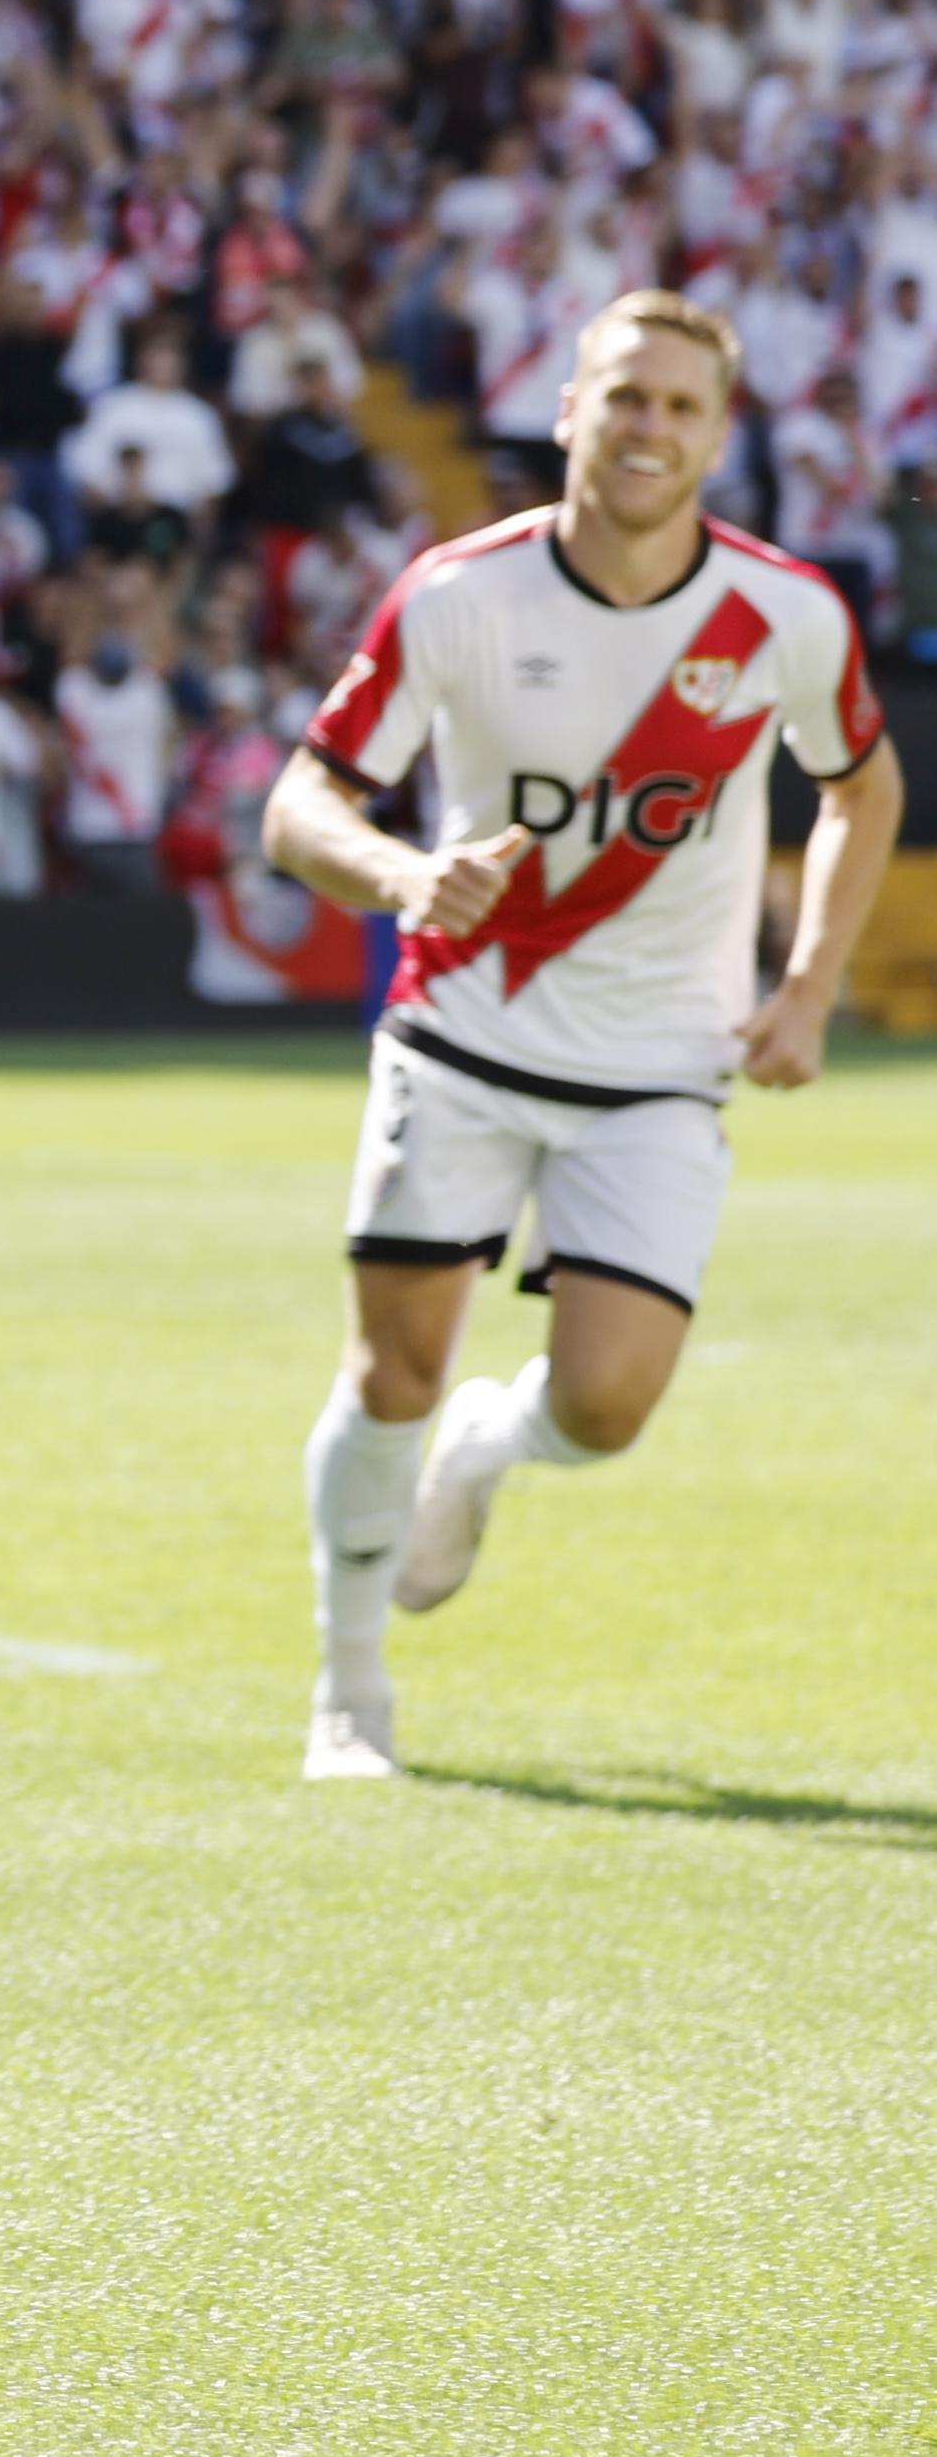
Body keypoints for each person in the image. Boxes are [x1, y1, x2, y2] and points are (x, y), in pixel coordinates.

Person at [262, 293, 904, 1781]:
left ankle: (490, 1451)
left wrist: (806, 983)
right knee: (388, 1375)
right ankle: (346, 1689)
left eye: (680, 408)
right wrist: (407, 876)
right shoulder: (453, 592)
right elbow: (297, 804)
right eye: (623, 398)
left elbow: (858, 788)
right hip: (460, 1032)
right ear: (565, 411)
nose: (647, 430)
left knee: (605, 1404)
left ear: (714, 437)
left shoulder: (783, 616)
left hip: (657, 1064)